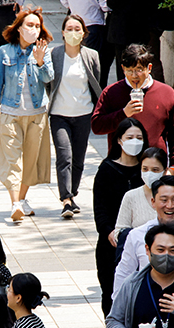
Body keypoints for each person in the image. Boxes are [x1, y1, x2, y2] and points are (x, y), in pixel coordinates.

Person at [0, 8, 54, 222]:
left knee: (31, 161)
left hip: (37, 116)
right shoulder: (4, 52)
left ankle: (22, 200)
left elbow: (49, 79)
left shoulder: (44, 50)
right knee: (12, 159)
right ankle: (15, 203)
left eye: (37, 26)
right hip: (10, 114)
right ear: (19, 28)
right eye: (29, 25)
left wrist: (41, 60)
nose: (33, 29)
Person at [93, 117, 148, 326]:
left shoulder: (147, 170)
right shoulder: (107, 169)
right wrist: (109, 232)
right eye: (130, 137)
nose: (135, 141)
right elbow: (100, 209)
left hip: (144, 242)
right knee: (111, 290)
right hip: (113, 243)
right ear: (119, 140)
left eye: (139, 137)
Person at [91, 44, 174, 167]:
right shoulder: (111, 92)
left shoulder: (167, 93)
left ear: (149, 68)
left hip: (155, 166)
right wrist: (123, 114)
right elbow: (97, 126)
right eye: (129, 71)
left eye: (139, 70)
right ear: (123, 69)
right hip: (120, 166)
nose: (134, 75)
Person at [48, 14, 102, 218]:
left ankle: (73, 194)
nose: (73, 32)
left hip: (83, 114)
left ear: (83, 33)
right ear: (62, 32)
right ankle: (66, 199)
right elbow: (47, 81)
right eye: (69, 29)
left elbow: (96, 82)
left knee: (78, 159)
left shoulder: (91, 55)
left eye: (77, 29)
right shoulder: (55, 54)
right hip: (59, 114)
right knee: (65, 156)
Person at [105, 1, 174, 82]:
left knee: (127, 65)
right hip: (139, 27)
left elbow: (111, 4)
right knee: (141, 63)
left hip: (126, 28)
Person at [112, 147, 166, 241]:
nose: (149, 174)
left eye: (155, 170)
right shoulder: (131, 196)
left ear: (165, 171)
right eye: (145, 169)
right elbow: (119, 231)